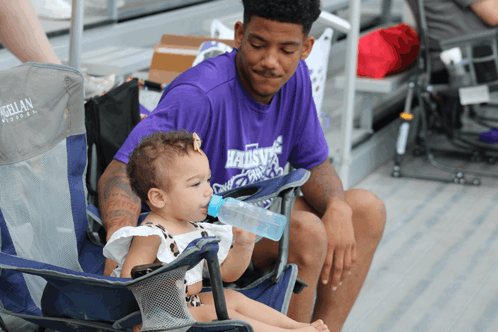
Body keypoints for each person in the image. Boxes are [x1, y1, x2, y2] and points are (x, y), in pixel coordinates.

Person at [98, 0, 387, 331]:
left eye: (287, 49)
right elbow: (120, 171)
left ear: (306, 48)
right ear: (239, 34)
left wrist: (337, 207)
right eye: (258, 44)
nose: (270, 61)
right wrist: (120, 247)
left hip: (249, 226)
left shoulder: (297, 81)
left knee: (365, 209)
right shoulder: (200, 94)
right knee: (307, 232)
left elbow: (315, 162)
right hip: (197, 235)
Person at [103, 130, 329, 332]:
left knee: (231, 297)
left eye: (207, 180)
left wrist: (243, 244)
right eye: (195, 184)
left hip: (187, 307)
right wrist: (172, 279)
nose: (208, 190)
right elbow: (129, 278)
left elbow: (226, 275)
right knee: (209, 313)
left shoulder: (195, 228)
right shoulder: (152, 234)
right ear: (159, 198)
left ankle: (298, 326)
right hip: (156, 318)